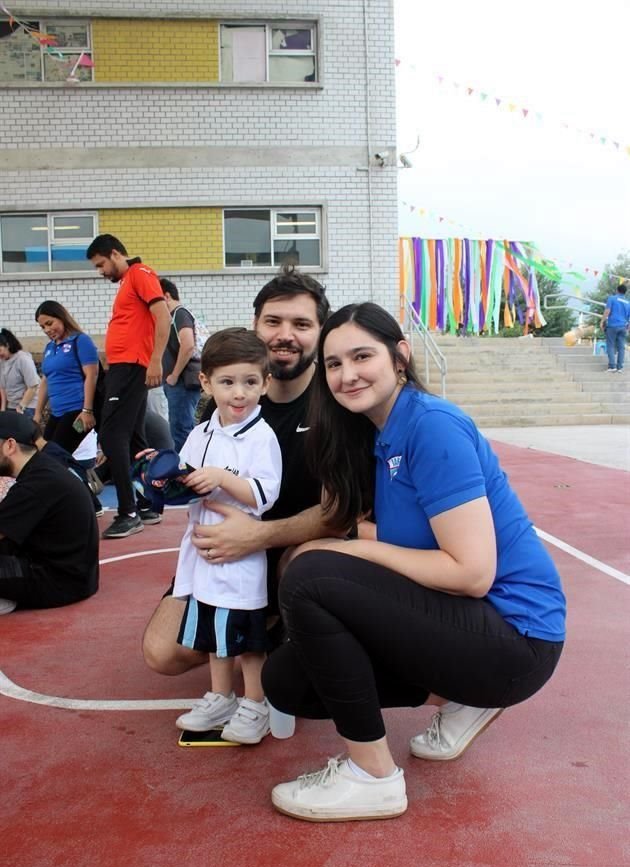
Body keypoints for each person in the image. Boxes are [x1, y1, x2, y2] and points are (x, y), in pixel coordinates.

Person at [262, 302, 566, 823]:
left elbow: (472, 573)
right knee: (288, 680)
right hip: (467, 626)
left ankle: (373, 778)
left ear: (400, 356)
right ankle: (461, 697)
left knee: (314, 576)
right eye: (334, 364)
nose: (347, 374)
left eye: (362, 356)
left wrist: (344, 549)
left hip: (517, 639)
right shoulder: (377, 434)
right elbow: (410, 540)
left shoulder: (432, 426)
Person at [141, 265, 331, 676]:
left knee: (310, 564)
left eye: (301, 323)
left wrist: (259, 536)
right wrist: (165, 478)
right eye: (273, 321)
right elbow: (197, 477)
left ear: (321, 332)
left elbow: (339, 513)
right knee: (162, 652)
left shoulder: (333, 405)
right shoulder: (223, 402)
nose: (285, 334)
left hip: (290, 547)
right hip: (225, 549)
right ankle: (256, 628)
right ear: (255, 325)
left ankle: (288, 631)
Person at [155, 328, 282, 743]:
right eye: (227, 382)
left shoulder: (262, 437)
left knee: (246, 637)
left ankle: (256, 703)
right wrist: (160, 476)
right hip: (203, 555)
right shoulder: (201, 433)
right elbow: (185, 479)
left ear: (265, 382)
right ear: (207, 382)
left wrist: (224, 478)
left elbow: (263, 494)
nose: (239, 393)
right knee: (213, 631)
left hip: (240, 555)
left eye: (250, 382)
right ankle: (221, 696)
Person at [86, 234, 170, 538]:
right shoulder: (128, 282)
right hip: (125, 366)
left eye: (101, 265)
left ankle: (128, 511)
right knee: (135, 441)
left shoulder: (140, 273)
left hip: (133, 366)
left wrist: (156, 360)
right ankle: (147, 504)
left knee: (111, 435)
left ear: (114, 254)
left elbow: (162, 317)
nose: (101, 271)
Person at [0, 412, 99, 615]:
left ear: (10, 446)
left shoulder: (35, 486)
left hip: (57, 582)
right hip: (74, 575)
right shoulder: (44, 469)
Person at [33, 300, 99, 454]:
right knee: (43, 454)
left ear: (61, 317)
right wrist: (37, 413)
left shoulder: (81, 340)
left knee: (56, 456)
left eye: (49, 323)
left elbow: (92, 375)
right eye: (42, 327)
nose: (47, 330)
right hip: (56, 413)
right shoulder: (50, 347)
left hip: (76, 411)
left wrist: (87, 410)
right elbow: (46, 380)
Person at [160, 278, 201, 451]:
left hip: (182, 382)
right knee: (181, 427)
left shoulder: (180, 314)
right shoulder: (176, 316)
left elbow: (188, 345)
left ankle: (184, 471)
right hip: (180, 382)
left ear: (166, 296)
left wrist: (174, 375)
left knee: (180, 429)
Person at [0, 328, 39, 416]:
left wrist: (21, 407)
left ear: (7, 345)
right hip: (11, 406)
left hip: (28, 406)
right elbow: (2, 388)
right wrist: (3, 409)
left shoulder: (23, 359)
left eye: (0, 350)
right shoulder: (1, 362)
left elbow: (33, 386)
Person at [601, 282, 630, 373]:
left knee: (610, 345)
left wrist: (602, 321)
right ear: (625, 292)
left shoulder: (612, 299)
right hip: (623, 326)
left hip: (612, 326)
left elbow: (607, 311)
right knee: (621, 347)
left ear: (617, 290)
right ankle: (620, 367)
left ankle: (612, 366)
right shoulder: (628, 302)